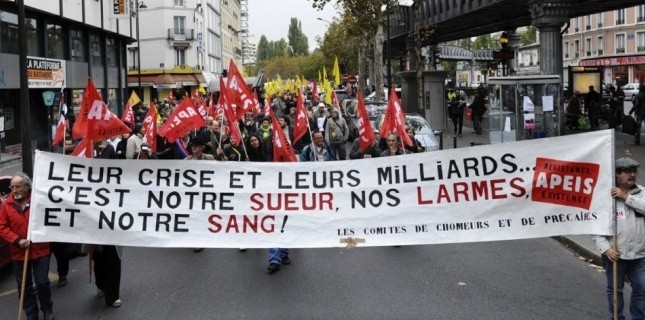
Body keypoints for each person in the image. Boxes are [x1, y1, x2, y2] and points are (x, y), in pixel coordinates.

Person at [592, 157, 645, 319]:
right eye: (628, 171)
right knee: (615, 290)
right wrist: (606, 248)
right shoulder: (605, 197)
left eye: (634, 171)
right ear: (617, 174)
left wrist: (626, 197)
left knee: (642, 289)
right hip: (615, 256)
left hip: (640, 254)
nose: (632, 174)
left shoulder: (641, 192)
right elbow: (595, 226)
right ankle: (616, 317)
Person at [0, 172, 56, 320]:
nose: (14, 190)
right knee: (24, 286)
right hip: (19, 252)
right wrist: (18, 240)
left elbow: (49, 218)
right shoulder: (7, 205)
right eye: (12, 187)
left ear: (27, 187)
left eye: (18, 187)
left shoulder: (38, 200)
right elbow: (2, 227)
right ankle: (31, 314)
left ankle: (47, 309)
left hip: (40, 249)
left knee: (42, 282)